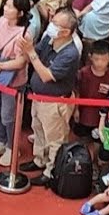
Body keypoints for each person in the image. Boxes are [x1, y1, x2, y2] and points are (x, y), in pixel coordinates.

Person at [21, 9, 81, 186]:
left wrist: (30, 52)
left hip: (55, 102)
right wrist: (27, 48)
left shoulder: (70, 53)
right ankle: (39, 160)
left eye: (55, 24)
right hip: (38, 97)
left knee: (55, 139)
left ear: (66, 32)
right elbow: (33, 55)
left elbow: (47, 75)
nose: (51, 26)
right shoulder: (49, 39)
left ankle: (51, 172)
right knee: (38, 130)